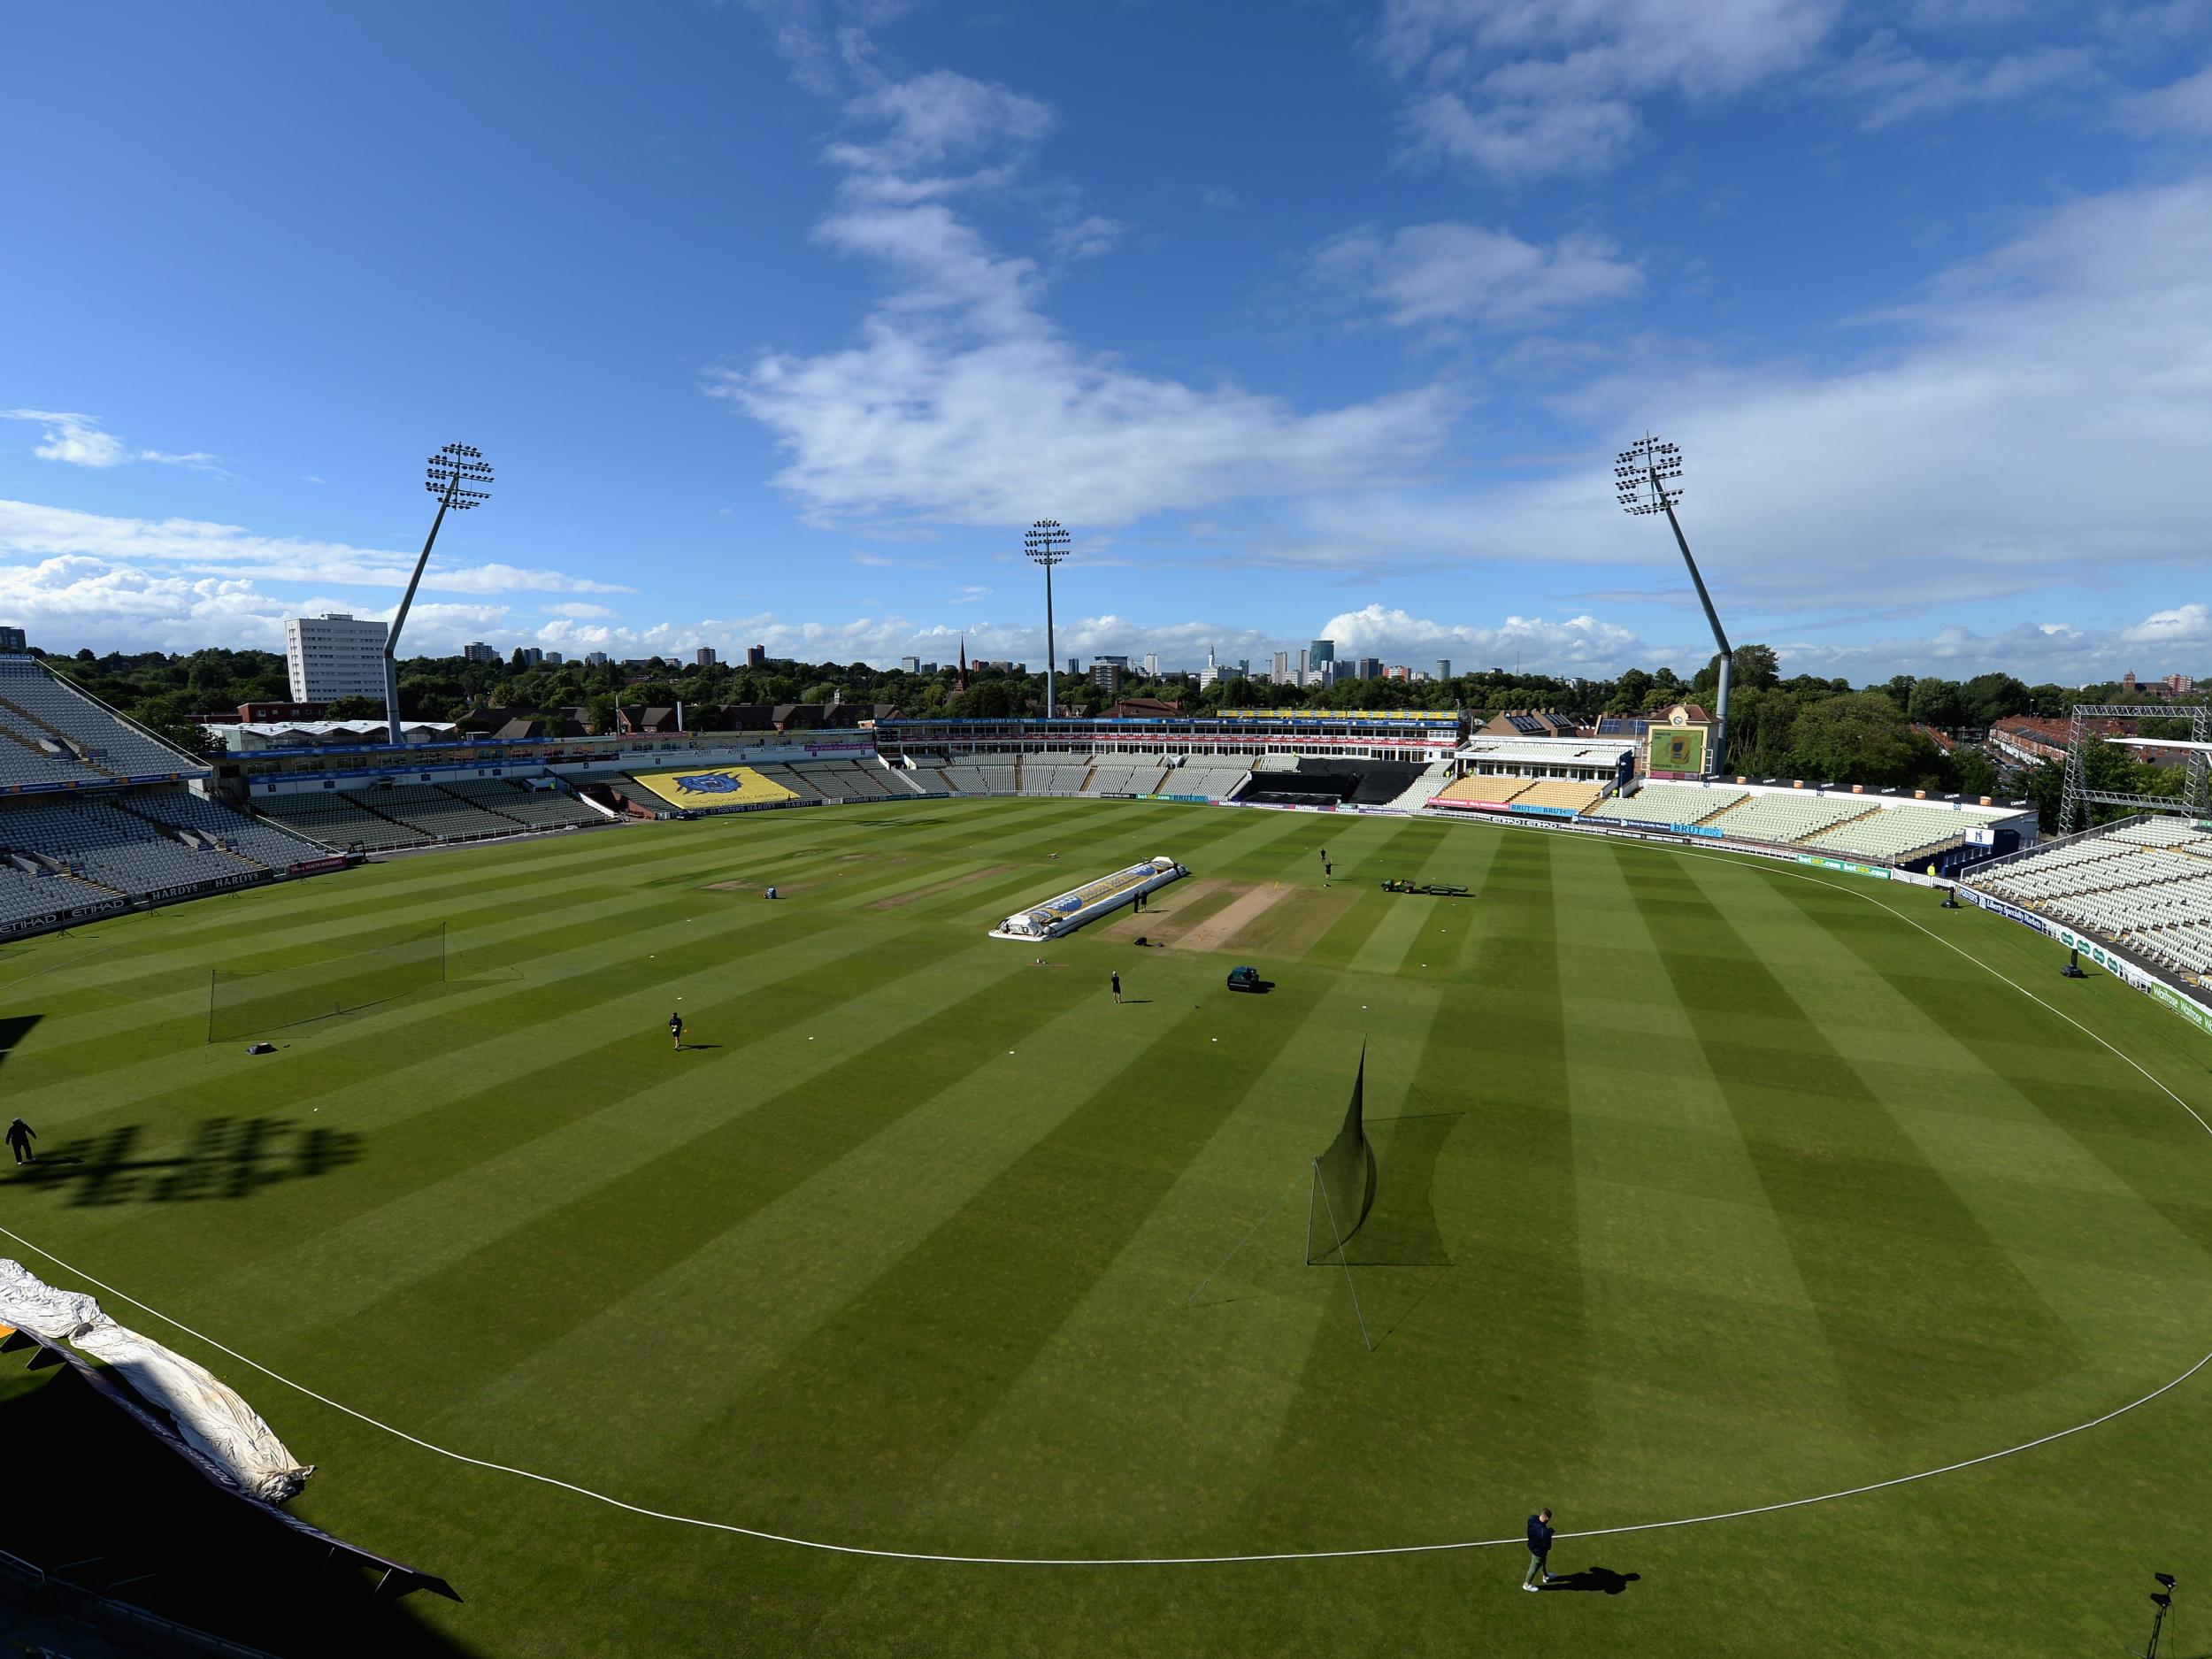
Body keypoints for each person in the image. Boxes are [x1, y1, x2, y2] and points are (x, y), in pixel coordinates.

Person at [1523, 1509, 1555, 1590]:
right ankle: (1527, 1584)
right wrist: (1550, 1533)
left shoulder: (1532, 1518)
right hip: (1539, 1552)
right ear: (1547, 1518)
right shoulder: (1544, 1532)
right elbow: (1548, 1546)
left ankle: (1545, 1576)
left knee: (1543, 1562)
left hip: (1532, 1544)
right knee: (1534, 1567)